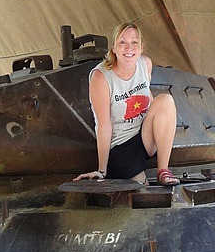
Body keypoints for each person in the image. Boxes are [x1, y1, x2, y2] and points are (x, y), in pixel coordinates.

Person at [74, 21, 179, 185]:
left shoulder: (145, 64)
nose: (129, 48)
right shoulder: (101, 77)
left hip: (143, 136)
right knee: (140, 191)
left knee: (166, 100)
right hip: (121, 146)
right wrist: (102, 171)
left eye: (134, 42)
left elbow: (148, 99)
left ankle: (163, 170)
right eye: (122, 42)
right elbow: (103, 125)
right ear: (114, 48)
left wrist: (160, 126)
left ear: (141, 47)